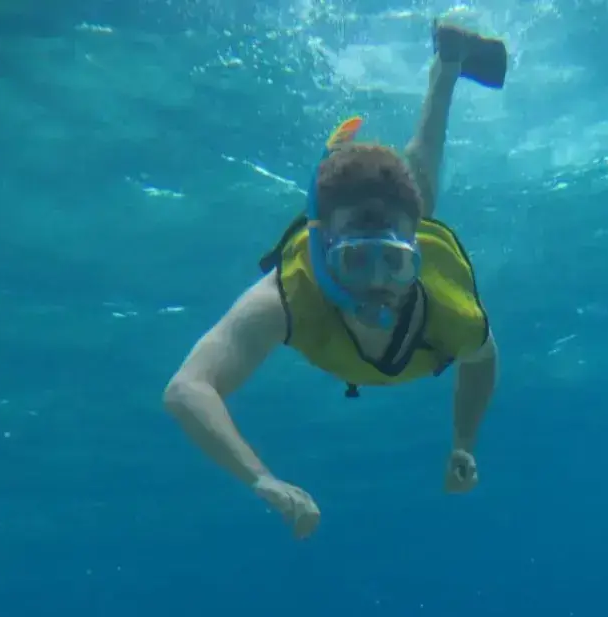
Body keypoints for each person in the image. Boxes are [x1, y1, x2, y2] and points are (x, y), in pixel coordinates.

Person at [163, 20, 508, 540]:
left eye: (393, 262)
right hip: (348, 234)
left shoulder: (446, 298)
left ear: (416, 256)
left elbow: (483, 358)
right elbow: (187, 388)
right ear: (324, 255)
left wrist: (464, 441)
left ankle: (447, 69)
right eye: (355, 262)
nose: (378, 286)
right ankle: (447, 67)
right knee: (416, 187)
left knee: (420, 189)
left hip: (404, 227)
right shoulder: (289, 294)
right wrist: (262, 480)